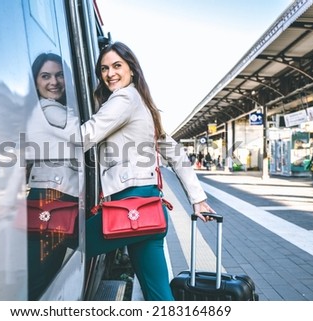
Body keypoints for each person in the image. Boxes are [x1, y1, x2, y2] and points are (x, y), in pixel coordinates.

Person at [81, 42, 215, 301]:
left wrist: (29, 149)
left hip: (129, 206)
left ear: (131, 68)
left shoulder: (124, 98)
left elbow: (85, 135)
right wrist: (198, 199)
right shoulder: (142, 104)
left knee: (68, 248)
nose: (110, 73)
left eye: (117, 66)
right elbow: (176, 153)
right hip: (149, 209)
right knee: (159, 296)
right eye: (104, 68)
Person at [25, 52, 79, 300]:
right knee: (42, 279)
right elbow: (86, 134)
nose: (53, 82)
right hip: (51, 199)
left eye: (59, 75)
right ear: (35, 81)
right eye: (45, 76)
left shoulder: (52, 110)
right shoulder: (49, 109)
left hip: (50, 197)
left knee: (42, 276)